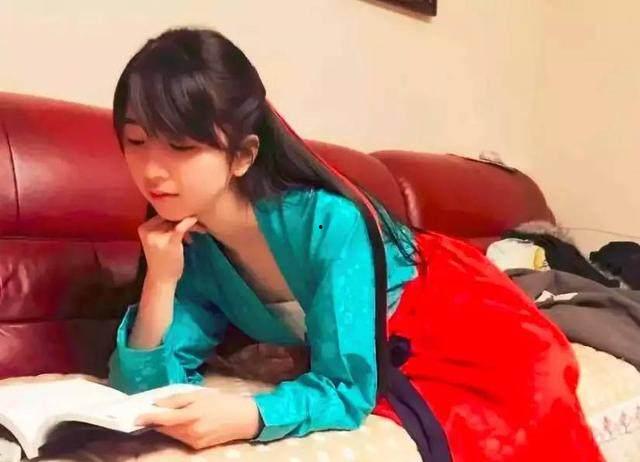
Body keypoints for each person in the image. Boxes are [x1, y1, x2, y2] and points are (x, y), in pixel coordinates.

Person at [108, 27, 604, 461]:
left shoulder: (327, 222)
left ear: (243, 156)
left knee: (527, 404)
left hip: (445, 305)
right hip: (382, 332)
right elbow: (143, 388)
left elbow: (347, 386)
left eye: (181, 146)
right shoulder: (189, 244)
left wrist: (251, 416)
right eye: (135, 140)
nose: (151, 170)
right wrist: (160, 281)